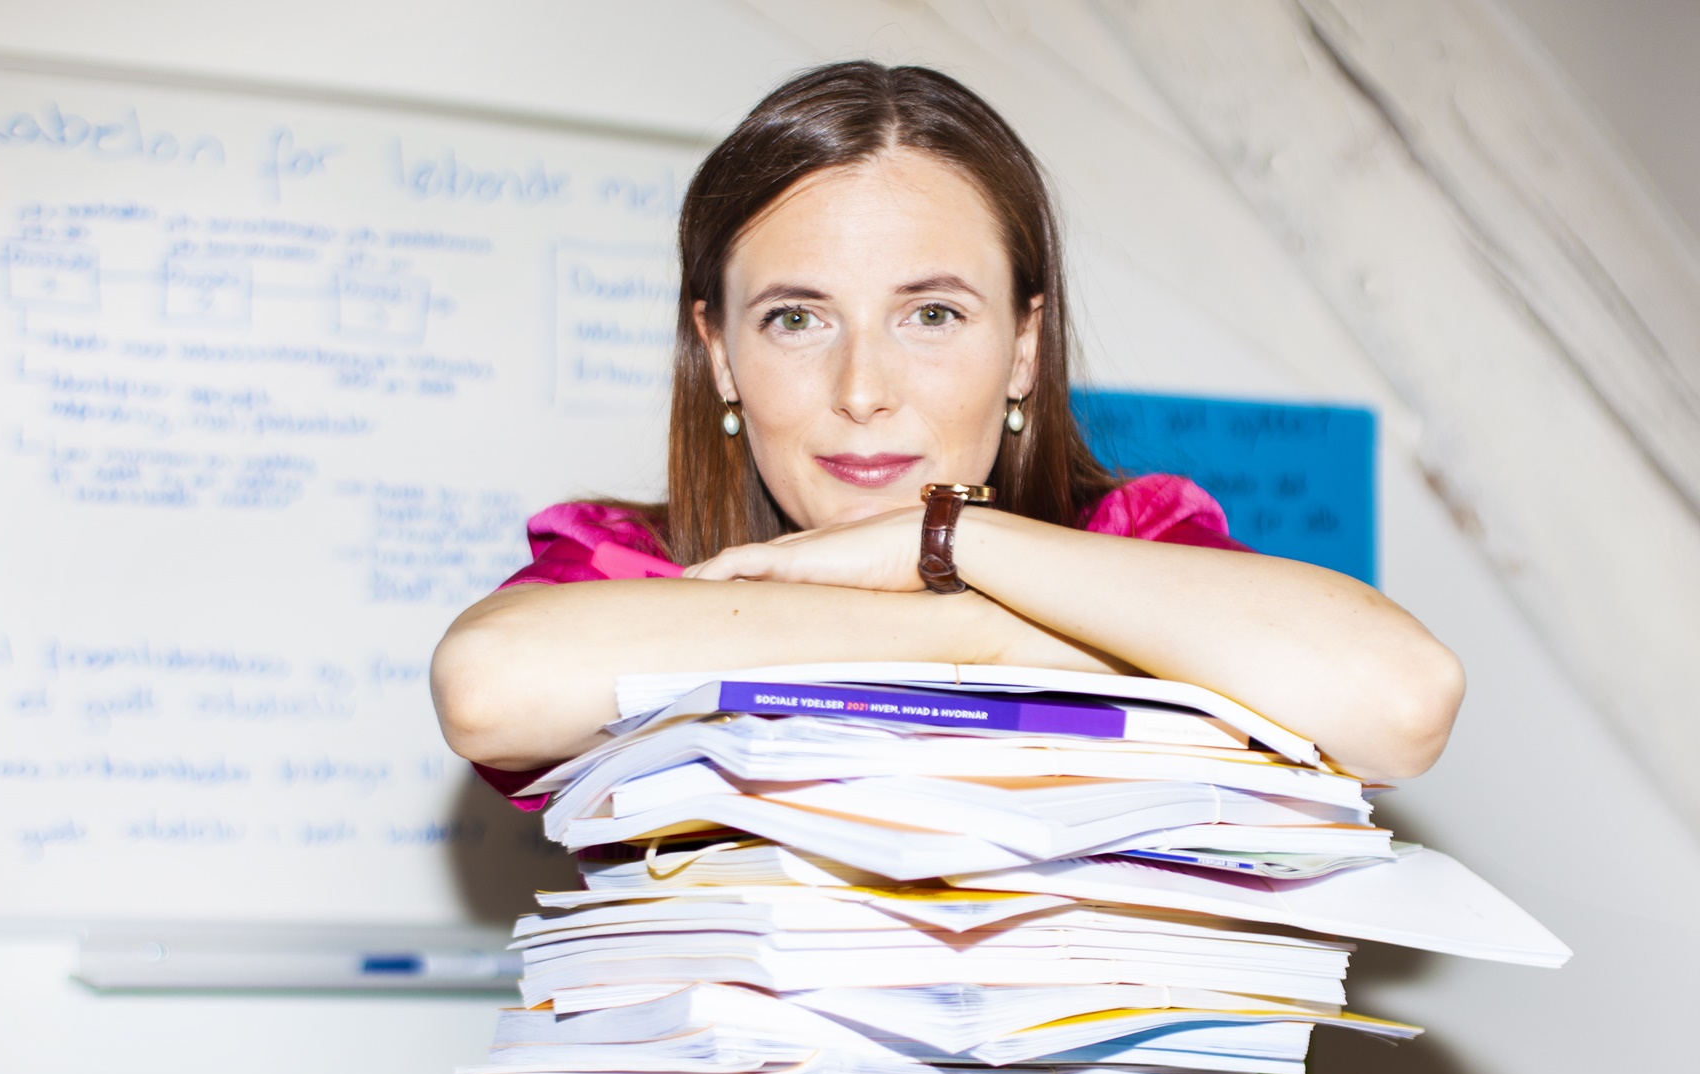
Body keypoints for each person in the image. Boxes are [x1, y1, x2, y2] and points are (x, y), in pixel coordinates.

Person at [432, 62, 1463, 790]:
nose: (862, 388)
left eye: (930, 315)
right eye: (795, 318)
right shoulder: (637, 575)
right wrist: (971, 632)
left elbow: (1399, 700)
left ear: (1021, 345)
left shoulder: (1128, 550)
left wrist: (951, 542)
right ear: (718, 355)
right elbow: (489, 689)